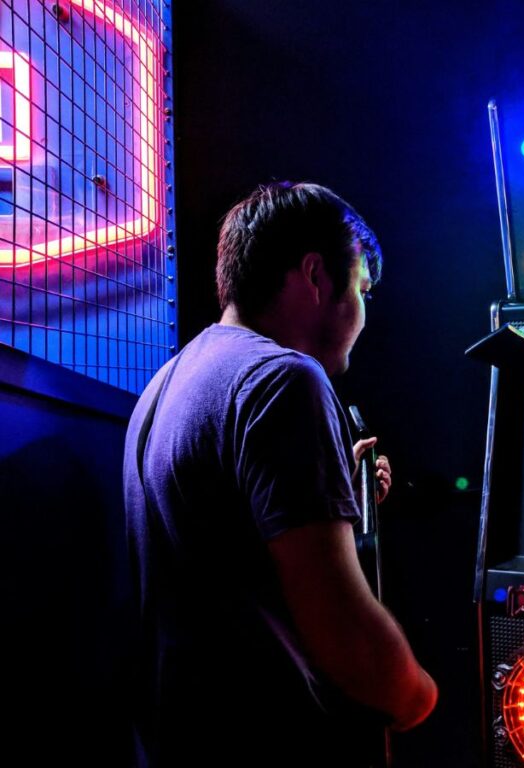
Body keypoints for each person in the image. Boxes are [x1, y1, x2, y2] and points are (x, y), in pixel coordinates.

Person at [124, 182, 437, 766]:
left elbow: (228, 558)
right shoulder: (284, 379)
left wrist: (335, 495)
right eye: (363, 289)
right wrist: (417, 693)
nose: (365, 314)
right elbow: (344, 636)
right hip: (267, 739)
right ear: (316, 276)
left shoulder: (165, 384)